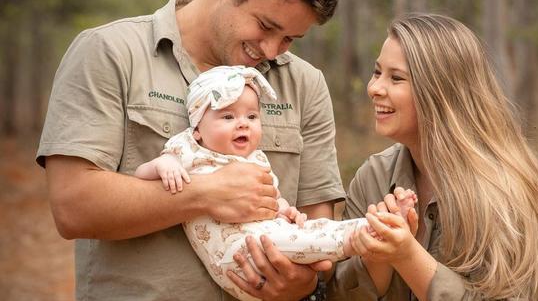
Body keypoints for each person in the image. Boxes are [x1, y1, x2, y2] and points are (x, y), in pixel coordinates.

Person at [37, 0, 347, 300]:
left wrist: (304, 282)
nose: (269, 50)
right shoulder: (110, 53)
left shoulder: (305, 84)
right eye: (265, 25)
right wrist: (203, 194)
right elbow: (73, 206)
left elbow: (319, 227)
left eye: (289, 39)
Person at [327, 13, 538, 300]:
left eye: (396, 78)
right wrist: (377, 258)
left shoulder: (505, 193)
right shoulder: (373, 178)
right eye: (377, 72)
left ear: (439, 91)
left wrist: (406, 256)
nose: (374, 88)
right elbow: (337, 293)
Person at [134, 66, 416, 301]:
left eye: (252, 116)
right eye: (228, 116)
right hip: (235, 258)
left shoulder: (256, 159)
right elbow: (142, 173)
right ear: (197, 129)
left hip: (265, 249)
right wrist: (164, 164)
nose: (242, 123)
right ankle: (365, 234)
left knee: (307, 228)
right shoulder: (188, 149)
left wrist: (285, 210)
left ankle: (376, 228)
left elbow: (270, 201)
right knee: (298, 240)